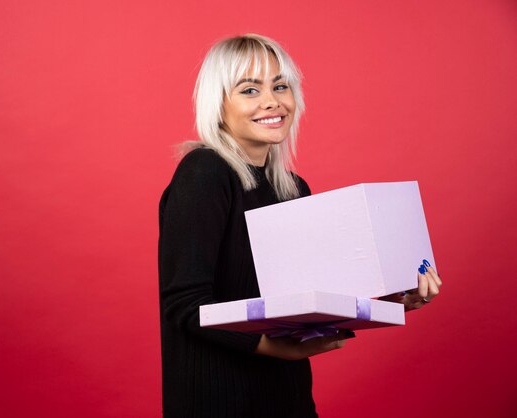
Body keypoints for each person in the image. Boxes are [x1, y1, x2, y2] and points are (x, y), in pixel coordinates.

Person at [158, 34, 441, 418]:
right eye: (249, 89)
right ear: (219, 104)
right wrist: (276, 348)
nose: (272, 101)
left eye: (280, 86)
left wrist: (393, 301)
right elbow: (186, 305)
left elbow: (308, 299)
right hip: (218, 400)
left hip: (287, 398)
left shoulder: (291, 188)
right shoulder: (204, 173)